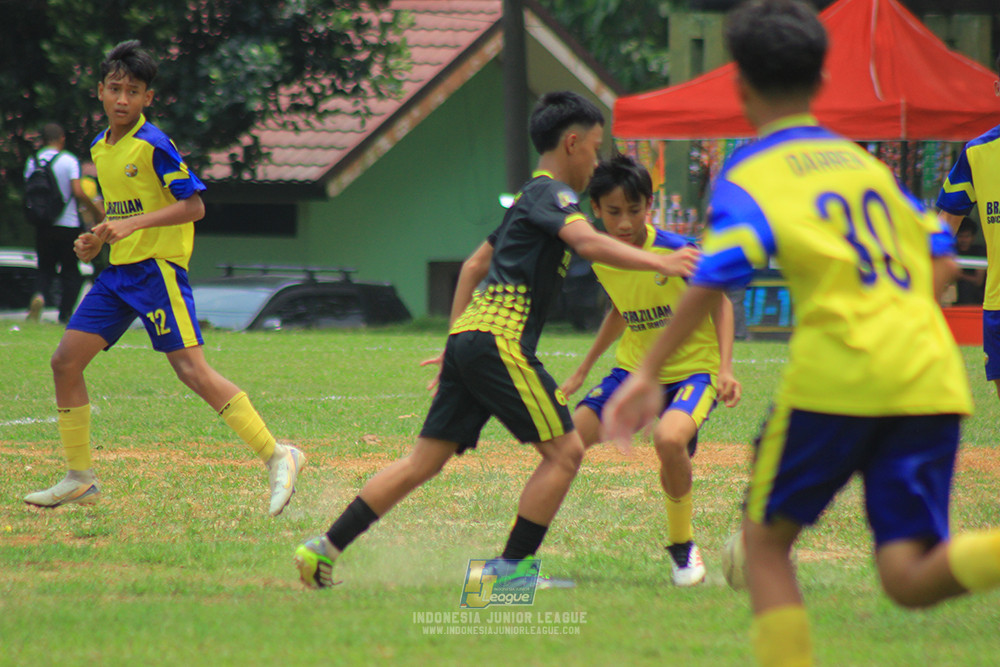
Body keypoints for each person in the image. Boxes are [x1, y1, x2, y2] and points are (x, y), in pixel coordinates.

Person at [603, 2, 1000, 665]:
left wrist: (647, 372)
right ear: (820, 82)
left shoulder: (753, 173)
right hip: (929, 378)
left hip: (838, 378)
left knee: (762, 544)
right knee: (907, 576)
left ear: (742, 88)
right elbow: (943, 258)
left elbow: (713, 275)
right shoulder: (863, 166)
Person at [293, 91, 700, 589]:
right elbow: (589, 243)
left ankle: (323, 548)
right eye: (595, 148)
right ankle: (509, 576)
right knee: (566, 452)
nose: (597, 160)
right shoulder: (554, 196)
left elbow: (471, 267)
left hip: (474, 337)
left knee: (423, 462)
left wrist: (456, 340)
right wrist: (662, 261)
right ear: (572, 143)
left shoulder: (527, 201)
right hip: (500, 340)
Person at [23, 40, 304, 517]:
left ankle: (279, 455)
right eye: (115, 89)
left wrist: (131, 226)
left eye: (133, 91)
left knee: (191, 371)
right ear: (100, 91)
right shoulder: (98, 147)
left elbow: (193, 206)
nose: (122, 100)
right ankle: (79, 478)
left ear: (147, 98)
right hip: (118, 274)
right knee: (65, 362)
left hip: (158, 272)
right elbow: (123, 209)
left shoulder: (154, 143)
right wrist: (97, 238)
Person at [558, 155, 741, 587]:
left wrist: (727, 368)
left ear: (649, 206)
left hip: (695, 372)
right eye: (614, 212)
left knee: (669, 440)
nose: (625, 222)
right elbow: (621, 311)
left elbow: (720, 301)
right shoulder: (602, 256)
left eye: (634, 210)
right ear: (596, 211)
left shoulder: (680, 250)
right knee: (566, 445)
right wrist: (584, 369)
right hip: (633, 371)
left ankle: (682, 546)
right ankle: (518, 558)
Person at [24, 123, 105, 323]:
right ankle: (65, 313)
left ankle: (39, 296)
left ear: (42, 139)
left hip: (43, 224)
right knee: (70, 270)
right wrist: (96, 211)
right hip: (68, 223)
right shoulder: (68, 160)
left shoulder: (33, 161)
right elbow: (77, 192)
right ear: (61, 138)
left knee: (45, 267)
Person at [952, 217, 986, 305]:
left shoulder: (979, 252)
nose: (963, 240)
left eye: (967, 236)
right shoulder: (951, 251)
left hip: (976, 301)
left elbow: (979, 281)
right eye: (960, 236)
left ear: (973, 237)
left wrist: (959, 275)